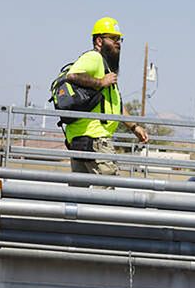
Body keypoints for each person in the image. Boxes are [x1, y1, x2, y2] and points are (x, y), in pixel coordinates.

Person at [62, 16, 149, 182]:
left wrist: (134, 127)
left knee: (80, 195)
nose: (118, 43)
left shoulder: (105, 66)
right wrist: (101, 81)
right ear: (99, 41)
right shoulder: (93, 58)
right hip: (96, 140)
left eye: (119, 39)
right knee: (108, 191)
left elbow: (116, 105)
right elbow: (72, 75)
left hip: (81, 139)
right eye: (114, 38)